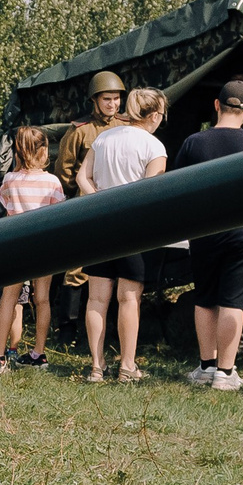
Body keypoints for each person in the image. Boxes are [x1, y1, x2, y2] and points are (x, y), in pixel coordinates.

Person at [174, 79, 243, 391]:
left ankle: (206, 366)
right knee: (234, 301)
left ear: (216, 105)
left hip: (204, 231)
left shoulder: (193, 143)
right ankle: (226, 373)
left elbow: (177, 191)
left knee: (205, 298)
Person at [75, 84, 167, 384]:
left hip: (99, 225)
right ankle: (127, 366)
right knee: (129, 299)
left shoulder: (103, 138)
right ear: (153, 115)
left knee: (96, 300)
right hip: (133, 228)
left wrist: (99, 200)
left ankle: (96, 366)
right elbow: (150, 191)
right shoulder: (154, 147)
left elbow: (81, 176)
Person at [0, 124, 64, 369]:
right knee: (42, 299)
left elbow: (5, 203)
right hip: (44, 247)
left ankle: (0, 355)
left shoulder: (10, 180)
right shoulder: (53, 182)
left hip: (16, 246)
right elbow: (58, 212)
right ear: (41, 151)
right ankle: (38, 353)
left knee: (8, 298)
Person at [52, 70, 126, 195]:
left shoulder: (126, 125)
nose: (112, 104)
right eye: (107, 99)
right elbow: (64, 169)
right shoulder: (80, 130)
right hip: (90, 197)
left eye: (116, 98)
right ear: (94, 99)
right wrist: (79, 191)